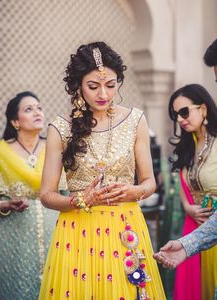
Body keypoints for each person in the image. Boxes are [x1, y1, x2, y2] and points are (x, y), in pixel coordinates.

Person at [39, 42, 166, 299]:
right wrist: (81, 199)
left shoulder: (135, 120)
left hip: (125, 228)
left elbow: (149, 182)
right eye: (93, 86)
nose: (103, 94)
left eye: (111, 85)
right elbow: (46, 195)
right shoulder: (60, 128)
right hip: (77, 230)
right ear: (78, 85)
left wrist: (134, 191)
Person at [0, 91, 58, 300]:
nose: (37, 112)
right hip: (12, 241)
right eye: (29, 109)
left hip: (55, 237)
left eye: (39, 107)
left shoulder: (55, 149)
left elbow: (68, 194)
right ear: (15, 121)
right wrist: (4, 206)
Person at [167, 83, 217, 300]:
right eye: (176, 115)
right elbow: (182, 183)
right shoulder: (189, 145)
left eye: (184, 112)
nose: (180, 119)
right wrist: (187, 206)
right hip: (195, 226)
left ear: (203, 109)